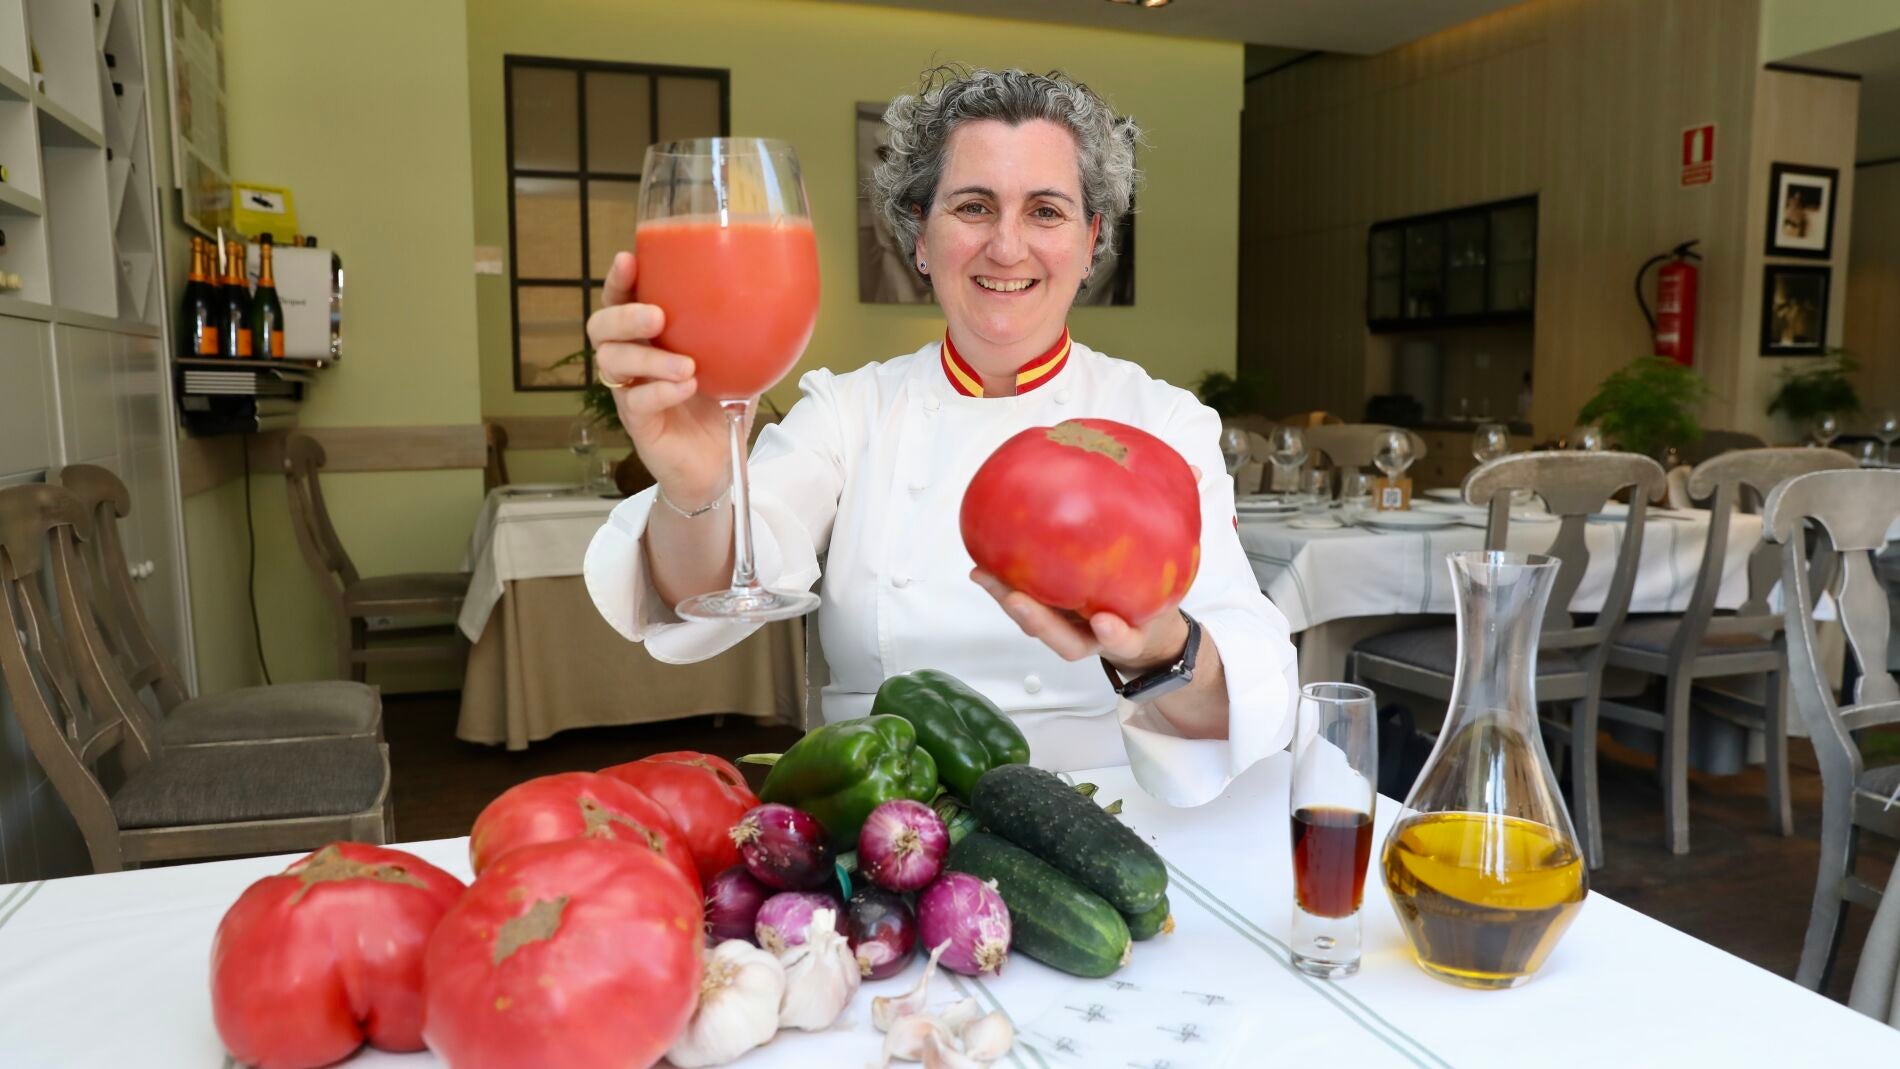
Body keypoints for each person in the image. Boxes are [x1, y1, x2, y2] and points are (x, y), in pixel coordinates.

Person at [582, 67, 1297, 806]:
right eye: (974, 207)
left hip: (1101, 820)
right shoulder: (849, 410)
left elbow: (1248, 705)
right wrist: (696, 487)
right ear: (921, 236)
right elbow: (708, 589)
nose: (1007, 247)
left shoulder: (1162, 421)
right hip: (881, 820)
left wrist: (1158, 649)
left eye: (1046, 211)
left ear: (1090, 243)